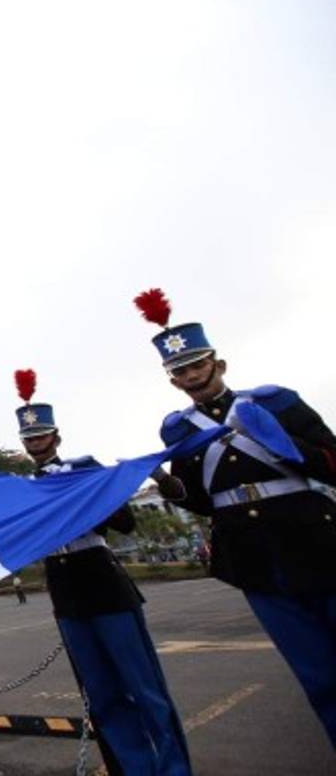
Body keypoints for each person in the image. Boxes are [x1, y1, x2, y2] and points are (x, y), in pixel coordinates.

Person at [136, 288, 336, 746]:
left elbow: (332, 461)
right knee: (318, 678)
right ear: (171, 381)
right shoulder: (179, 429)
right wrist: (168, 486)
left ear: (218, 364)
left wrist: (288, 447)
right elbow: (203, 501)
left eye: (197, 365)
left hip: (319, 543)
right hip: (255, 562)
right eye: (179, 371)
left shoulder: (276, 403)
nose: (191, 376)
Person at [15, 368, 191, 775]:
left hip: (103, 583)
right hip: (65, 594)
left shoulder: (84, 469)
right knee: (102, 696)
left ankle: (175, 770)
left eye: (41, 437)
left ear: (56, 437)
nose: (35, 445)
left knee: (146, 690)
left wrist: (84, 491)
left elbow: (125, 523)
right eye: (28, 439)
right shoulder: (23, 485)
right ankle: (136, 768)